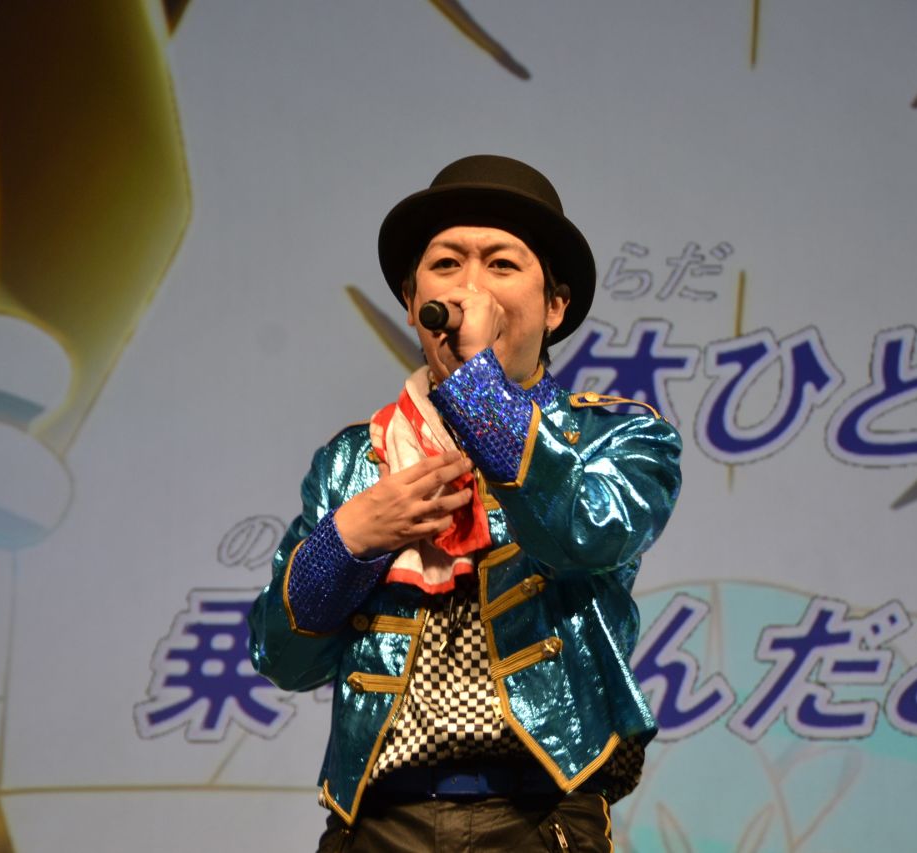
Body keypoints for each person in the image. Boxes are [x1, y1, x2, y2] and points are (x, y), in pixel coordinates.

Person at [249, 155, 682, 851]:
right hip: (378, 822)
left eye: (501, 265)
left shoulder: (616, 436)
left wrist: (477, 386)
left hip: (539, 816)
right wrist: (351, 538)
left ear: (555, 306)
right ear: (411, 298)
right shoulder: (357, 459)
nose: (469, 288)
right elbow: (282, 657)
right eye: (447, 264)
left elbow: (587, 533)